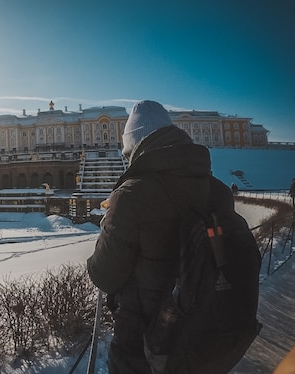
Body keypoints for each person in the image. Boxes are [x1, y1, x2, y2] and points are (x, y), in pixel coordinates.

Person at [87, 100, 237, 373]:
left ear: (135, 147)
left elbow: (104, 275)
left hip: (146, 343)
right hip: (205, 333)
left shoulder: (130, 196)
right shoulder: (219, 191)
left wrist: (107, 230)